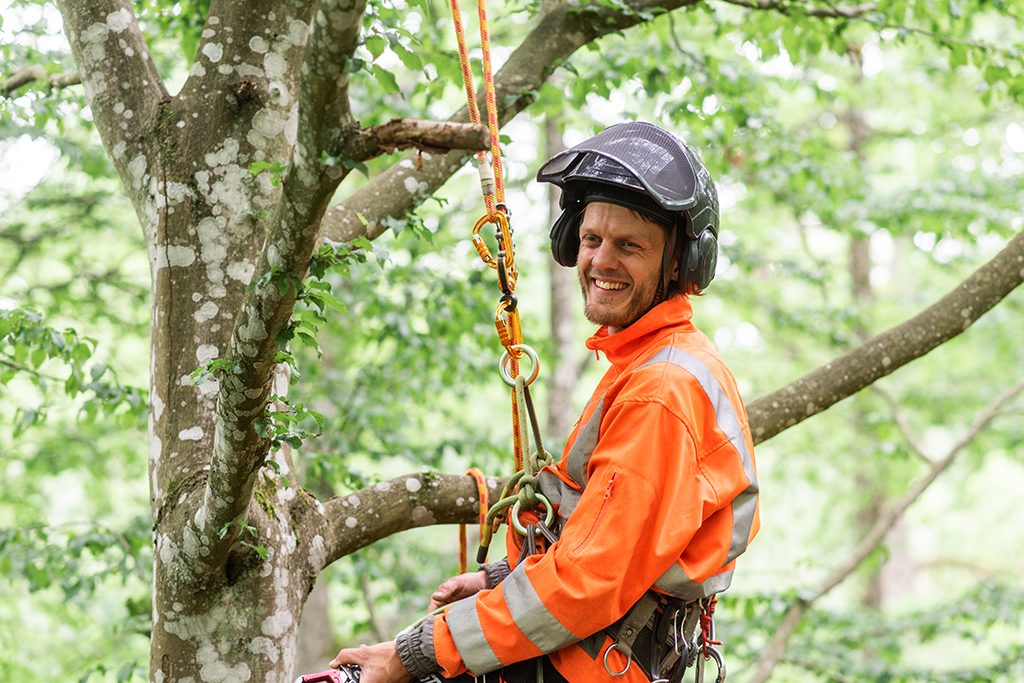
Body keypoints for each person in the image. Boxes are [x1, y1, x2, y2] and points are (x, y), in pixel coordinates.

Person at [330, 121, 760, 683]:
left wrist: (412, 654)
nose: (601, 261)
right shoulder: (649, 362)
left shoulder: (662, 390)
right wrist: (502, 576)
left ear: (681, 263)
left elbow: (587, 580)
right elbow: (600, 526)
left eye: (629, 245)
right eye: (591, 239)